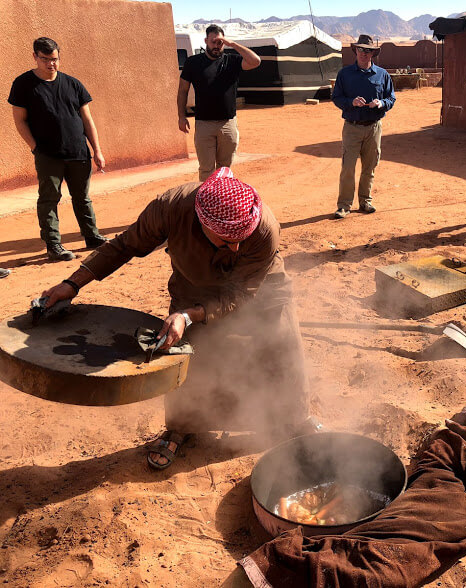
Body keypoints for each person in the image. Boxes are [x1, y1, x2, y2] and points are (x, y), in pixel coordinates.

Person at [40, 168, 311, 470]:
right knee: (188, 355)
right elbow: (125, 245)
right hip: (193, 286)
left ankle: (294, 421)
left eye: (240, 240)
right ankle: (183, 428)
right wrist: (73, 283)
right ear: (202, 224)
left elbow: (240, 295)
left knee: (281, 346)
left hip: (259, 286)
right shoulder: (171, 209)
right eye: (225, 240)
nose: (235, 248)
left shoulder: (263, 229)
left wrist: (189, 314)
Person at [8, 37, 108, 262]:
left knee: (82, 198)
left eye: (55, 59)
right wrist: (35, 148)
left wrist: (97, 150)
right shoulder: (23, 84)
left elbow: (87, 119)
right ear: (35, 57)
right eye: (45, 59)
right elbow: (20, 120)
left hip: (78, 153)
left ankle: (92, 237)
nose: (51, 64)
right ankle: (54, 246)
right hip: (48, 155)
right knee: (49, 199)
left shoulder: (73, 84)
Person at [178, 24, 261, 181]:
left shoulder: (232, 61)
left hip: (227, 124)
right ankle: (205, 203)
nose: (216, 46)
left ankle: (221, 202)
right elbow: (182, 90)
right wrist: (181, 116)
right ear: (206, 41)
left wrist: (233, 44)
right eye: (213, 42)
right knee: (206, 170)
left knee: (224, 169)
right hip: (204, 124)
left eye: (220, 43)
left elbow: (256, 61)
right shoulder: (193, 63)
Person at [331, 34, 396, 219]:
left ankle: (365, 201)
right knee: (348, 167)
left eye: (368, 50)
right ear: (355, 51)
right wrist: (352, 102)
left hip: (374, 127)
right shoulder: (345, 74)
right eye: (361, 49)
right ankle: (344, 205)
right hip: (352, 127)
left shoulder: (382, 74)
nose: (364, 53)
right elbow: (336, 97)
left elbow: (391, 97)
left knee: (370, 166)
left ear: (373, 53)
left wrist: (381, 103)